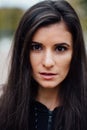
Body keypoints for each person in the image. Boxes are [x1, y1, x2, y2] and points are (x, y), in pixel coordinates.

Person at [0, 0, 87, 130]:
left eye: (60, 49)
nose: (47, 62)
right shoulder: (3, 111)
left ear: (75, 52)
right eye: (36, 47)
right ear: (22, 52)